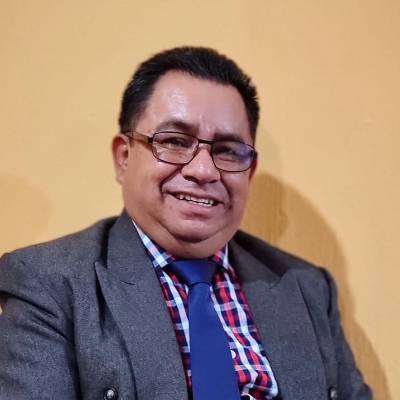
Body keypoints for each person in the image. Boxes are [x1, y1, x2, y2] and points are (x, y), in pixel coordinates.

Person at [0, 47, 372, 400]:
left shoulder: (306, 287)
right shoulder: (49, 283)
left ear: (249, 172)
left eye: (227, 151)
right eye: (175, 141)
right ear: (124, 157)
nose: (203, 170)